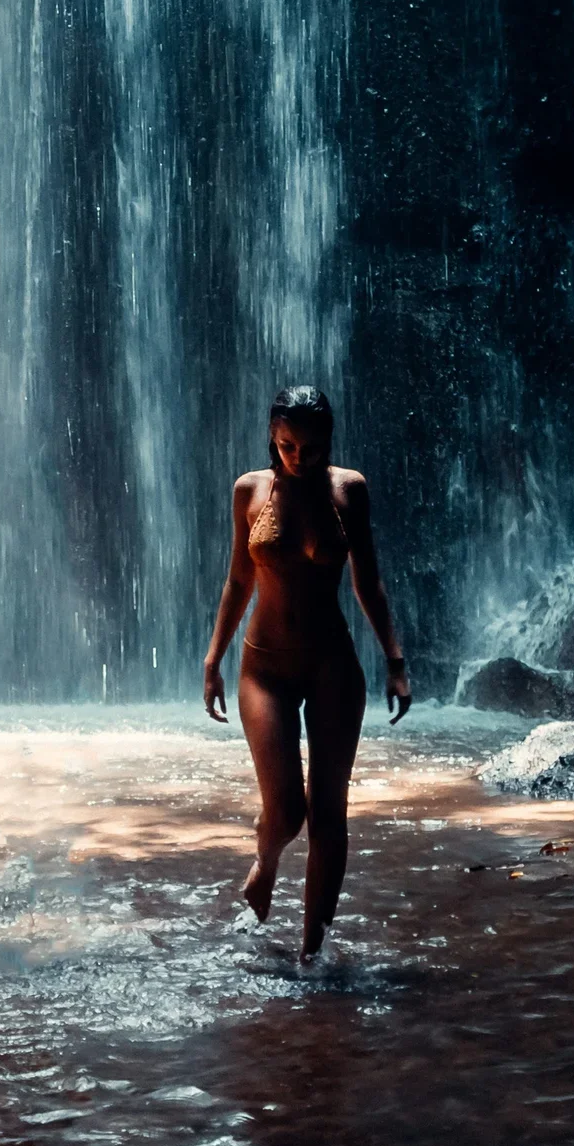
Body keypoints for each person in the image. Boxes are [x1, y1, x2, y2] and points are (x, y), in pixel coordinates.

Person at [203, 386, 411, 961]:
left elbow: (367, 582)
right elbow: (238, 580)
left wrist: (394, 660)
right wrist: (212, 659)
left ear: (329, 442)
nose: (299, 457)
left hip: (332, 667)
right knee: (287, 809)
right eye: (288, 445)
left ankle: (311, 953)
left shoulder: (350, 490)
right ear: (273, 434)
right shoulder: (250, 490)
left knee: (328, 814)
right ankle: (265, 860)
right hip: (263, 669)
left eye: (312, 447)